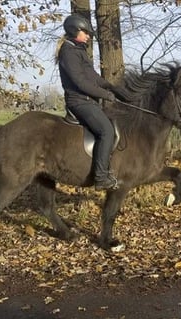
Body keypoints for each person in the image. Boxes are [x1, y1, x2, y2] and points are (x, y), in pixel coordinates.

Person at [56, 14, 128, 191]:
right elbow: (80, 82)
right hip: (79, 101)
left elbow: (93, 77)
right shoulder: (68, 52)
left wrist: (112, 88)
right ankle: (101, 177)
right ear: (75, 31)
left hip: (88, 101)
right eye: (85, 32)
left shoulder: (78, 50)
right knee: (106, 131)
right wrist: (105, 94)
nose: (88, 36)